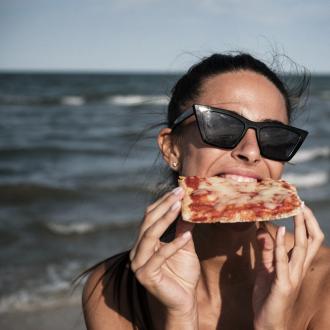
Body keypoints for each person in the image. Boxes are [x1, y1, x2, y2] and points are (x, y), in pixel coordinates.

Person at [81, 53, 330, 329]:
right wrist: (179, 317)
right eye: (222, 126)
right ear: (171, 148)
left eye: (274, 136)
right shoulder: (112, 292)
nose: (251, 151)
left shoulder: (323, 285)